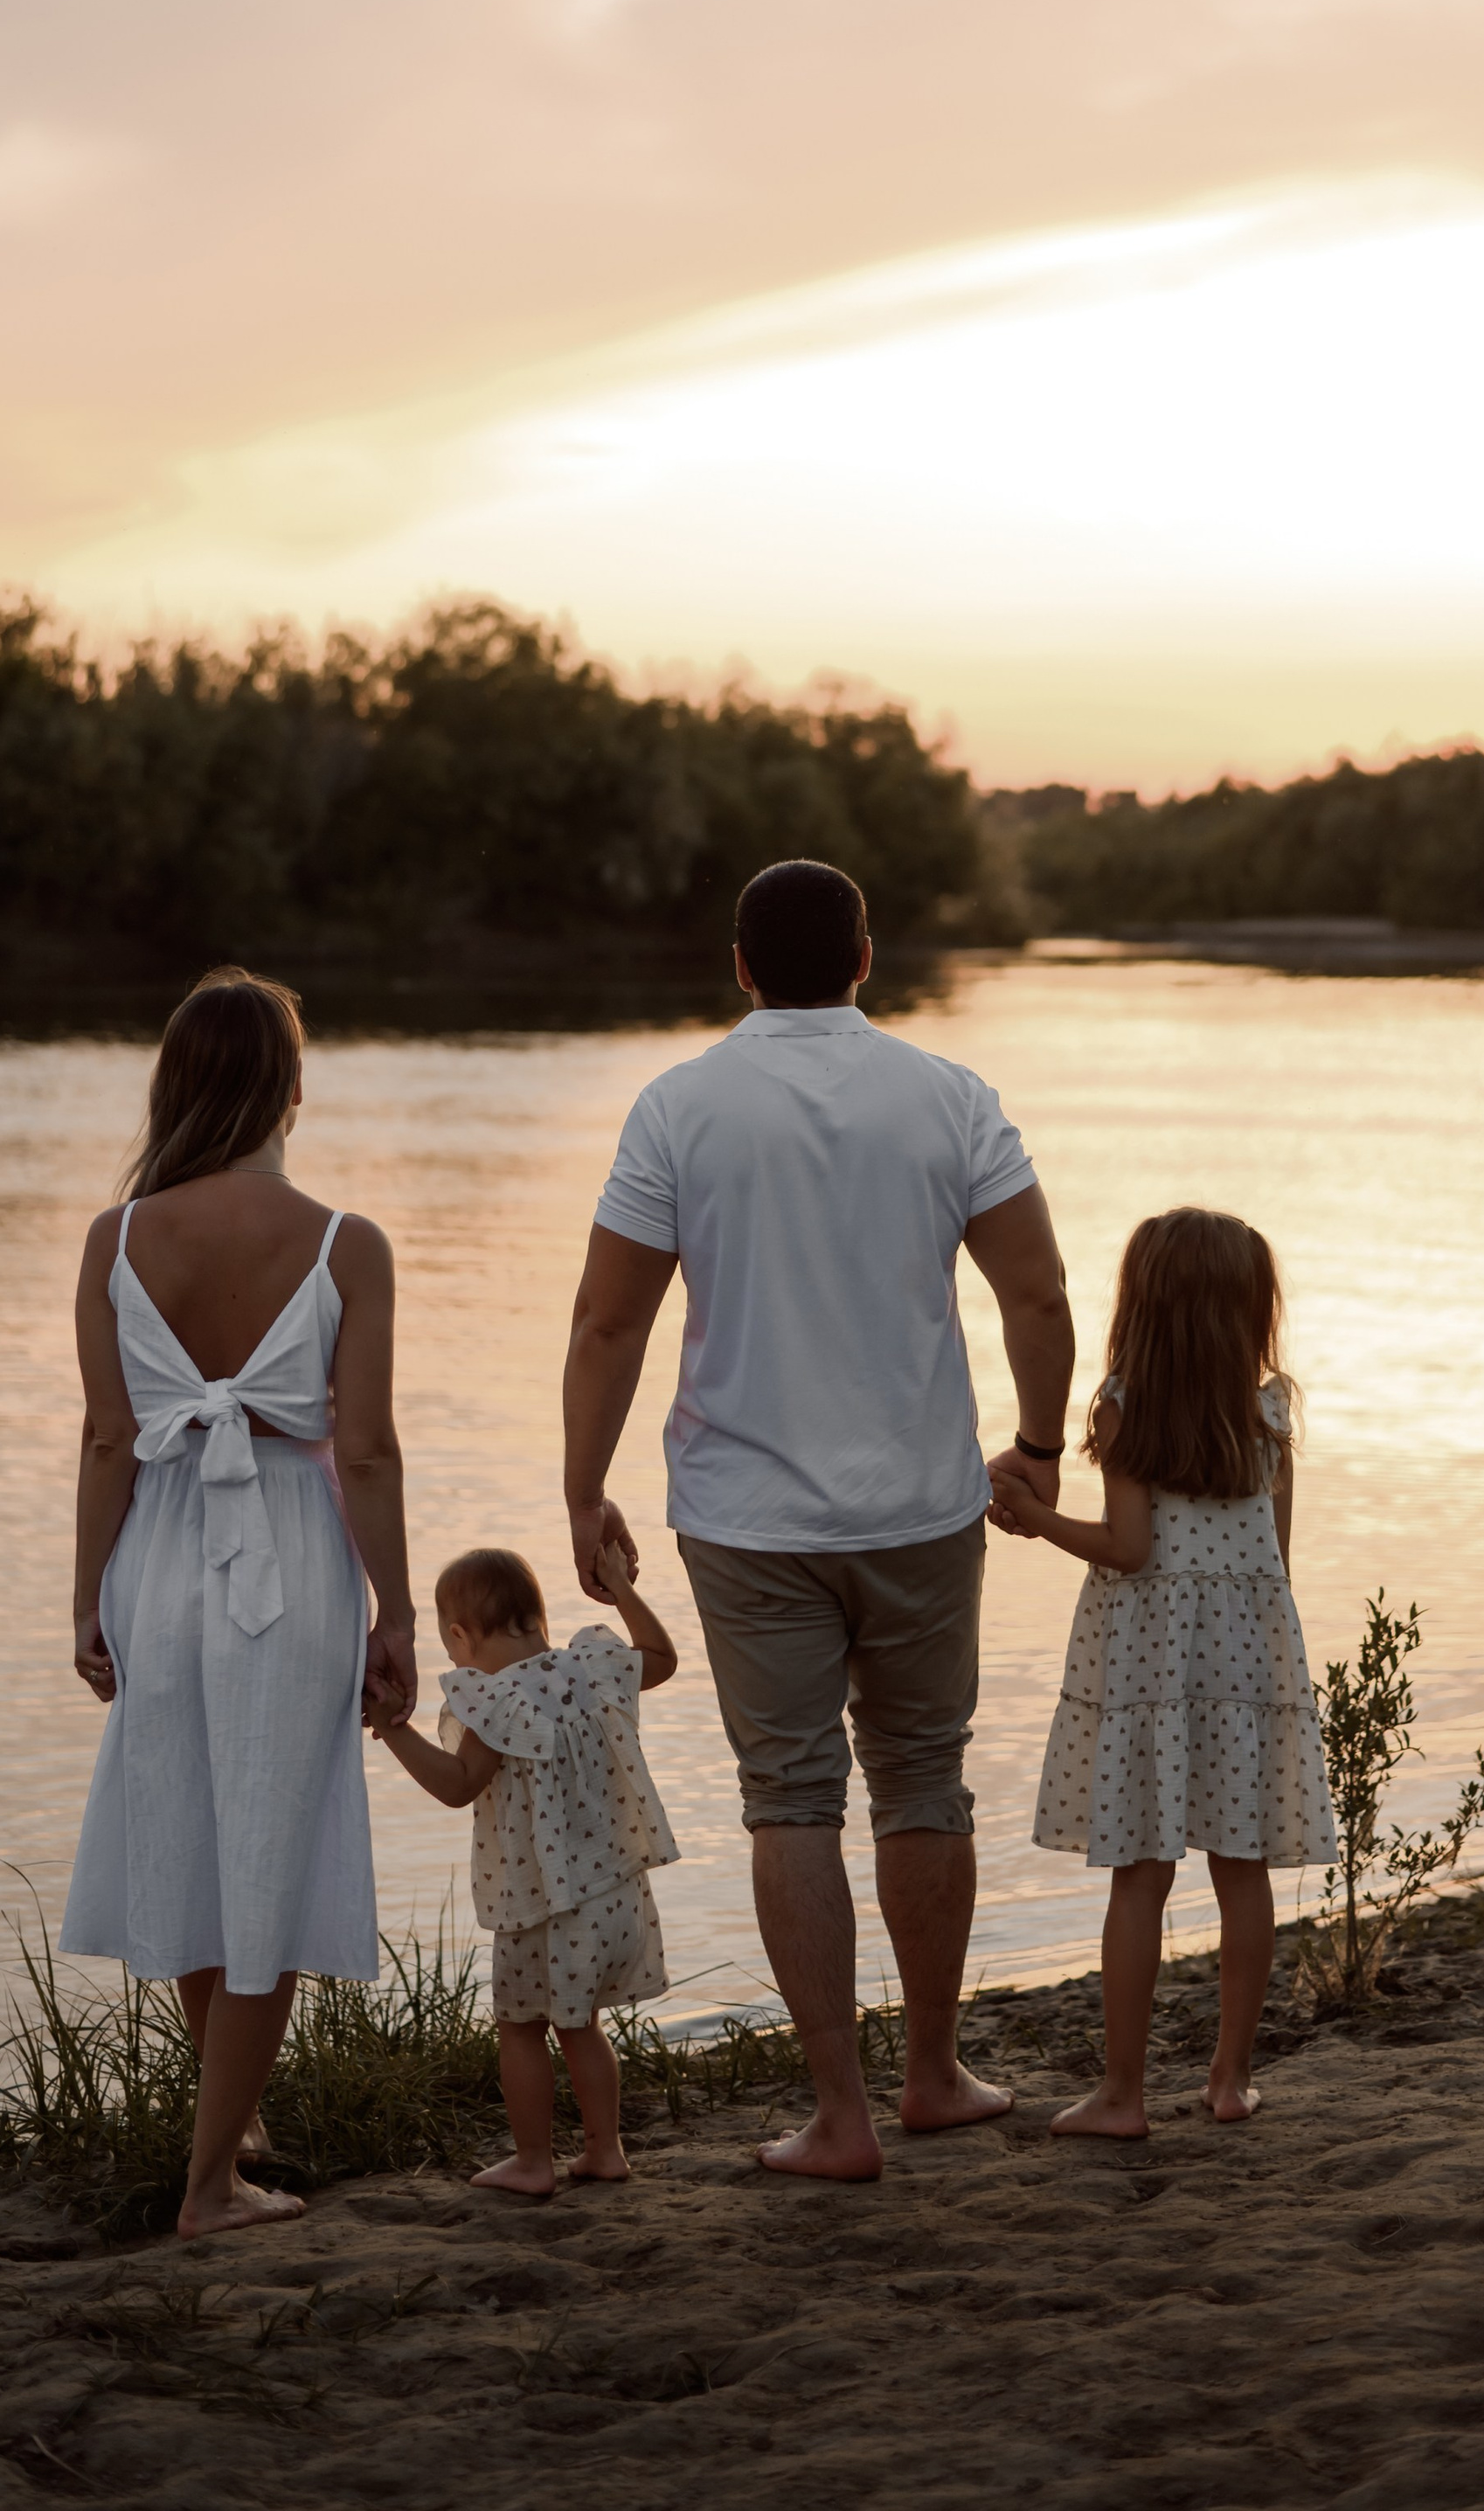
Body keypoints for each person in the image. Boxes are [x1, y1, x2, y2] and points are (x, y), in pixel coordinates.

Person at [560, 855, 1075, 2181]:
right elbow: (1039, 1295)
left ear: (740, 968)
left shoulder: (681, 1107)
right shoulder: (950, 1097)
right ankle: (937, 2075)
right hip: (920, 1505)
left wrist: (583, 1483)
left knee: (788, 1801)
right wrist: (1034, 1447)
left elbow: (612, 1318)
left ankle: (838, 2115)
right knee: (921, 1778)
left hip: (745, 1518)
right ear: (866, 956)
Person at [59, 967, 418, 2240]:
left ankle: (236, 2117)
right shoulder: (342, 1243)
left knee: (195, 1831)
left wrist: (89, 1599)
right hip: (289, 1568)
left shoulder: (115, 1240)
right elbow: (364, 1451)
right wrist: (400, 1614)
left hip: (159, 1559)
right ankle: (213, 2186)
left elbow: (109, 1438)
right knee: (266, 1848)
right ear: (288, 1086)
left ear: (177, 1085)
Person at [991, 1205, 1337, 2133]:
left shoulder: (1121, 1402)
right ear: (1247, 1308)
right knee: (1242, 1872)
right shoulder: (1270, 1407)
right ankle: (1226, 2080)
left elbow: (1129, 1547)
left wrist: (1034, 1520)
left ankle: (1122, 2095)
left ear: (1143, 1304)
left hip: (1149, 1663)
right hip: (1249, 1664)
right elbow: (1281, 1562)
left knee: (1140, 1877)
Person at [372, 1540, 680, 2197]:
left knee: (521, 2028)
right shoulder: (591, 1670)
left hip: (540, 1904)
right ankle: (605, 2150)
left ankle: (534, 2161)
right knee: (582, 2027)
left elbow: (458, 1786)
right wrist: (620, 1587)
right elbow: (662, 1658)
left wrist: (394, 1730)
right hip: (613, 1891)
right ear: (536, 1616)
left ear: (458, 1635)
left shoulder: (494, 1703)